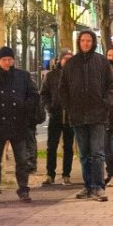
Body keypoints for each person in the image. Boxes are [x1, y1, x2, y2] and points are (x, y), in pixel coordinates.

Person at [0, 46, 41, 203]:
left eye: (9, 59)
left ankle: (23, 189)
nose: (7, 62)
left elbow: (33, 95)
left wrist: (24, 106)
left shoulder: (23, 76)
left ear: (13, 60)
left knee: (21, 160)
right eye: (4, 59)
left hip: (18, 123)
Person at [61, 30, 113, 202]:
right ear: (79, 42)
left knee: (97, 153)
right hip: (78, 115)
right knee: (83, 153)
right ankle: (87, 185)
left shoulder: (102, 62)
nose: (85, 43)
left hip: (98, 115)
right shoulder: (71, 64)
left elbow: (111, 85)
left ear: (93, 42)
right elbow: (63, 89)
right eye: (83, 40)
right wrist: (69, 106)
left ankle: (98, 186)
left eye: (88, 40)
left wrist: (105, 103)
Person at [40, 50, 74, 185]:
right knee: (52, 146)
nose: (67, 61)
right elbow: (44, 94)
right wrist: (49, 107)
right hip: (55, 115)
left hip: (71, 116)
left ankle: (66, 174)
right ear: (60, 60)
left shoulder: (76, 75)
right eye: (65, 59)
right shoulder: (51, 76)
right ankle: (50, 174)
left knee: (68, 147)